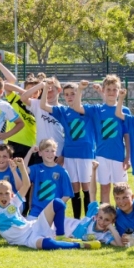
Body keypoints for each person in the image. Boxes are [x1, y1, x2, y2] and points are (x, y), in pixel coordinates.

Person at [0, 175, 100, 250]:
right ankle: (80, 245)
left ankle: (60, 236)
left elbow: (27, 184)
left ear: (11, 195)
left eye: (7, 194)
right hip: (25, 239)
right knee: (45, 245)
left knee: (57, 203)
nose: (4, 196)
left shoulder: (14, 202)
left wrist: (21, 166)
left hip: (33, 226)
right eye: (0, 194)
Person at [41, 81, 95, 219]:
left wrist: (81, 90)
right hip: (70, 154)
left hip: (85, 153)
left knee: (86, 188)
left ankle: (88, 219)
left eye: (73, 94)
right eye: (67, 95)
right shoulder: (63, 111)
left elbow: (79, 106)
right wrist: (46, 88)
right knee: (75, 188)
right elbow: (43, 105)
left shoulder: (87, 110)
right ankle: (77, 220)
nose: (70, 97)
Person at [71, 77, 130, 204]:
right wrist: (80, 89)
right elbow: (77, 107)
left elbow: (127, 135)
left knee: (121, 190)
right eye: (108, 89)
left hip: (119, 156)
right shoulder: (96, 109)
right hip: (102, 155)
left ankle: (122, 219)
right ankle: (106, 217)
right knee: (104, 188)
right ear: (103, 90)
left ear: (119, 91)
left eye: (115, 89)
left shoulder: (124, 110)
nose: (112, 92)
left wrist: (128, 157)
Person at [59, 160, 123, 246]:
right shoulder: (93, 213)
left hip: (65, 235)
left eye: (107, 220)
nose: (102, 222)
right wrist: (94, 170)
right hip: (66, 224)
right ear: (96, 216)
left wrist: (111, 228)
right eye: (100, 217)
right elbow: (92, 192)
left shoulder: (104, 235)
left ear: (112, 221)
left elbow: (120, 245)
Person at [23, 139, 73, 219]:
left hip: (54, 212)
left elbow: (67, 195)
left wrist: (55, 208)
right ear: (40, 153)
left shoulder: (62, 172)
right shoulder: (36, 168)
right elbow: (23, 170)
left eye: (52, 151)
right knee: (30, 230)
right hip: (36, 211)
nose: (50, 154)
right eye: (47, 151)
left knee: (51, 230)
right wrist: (30, 152)